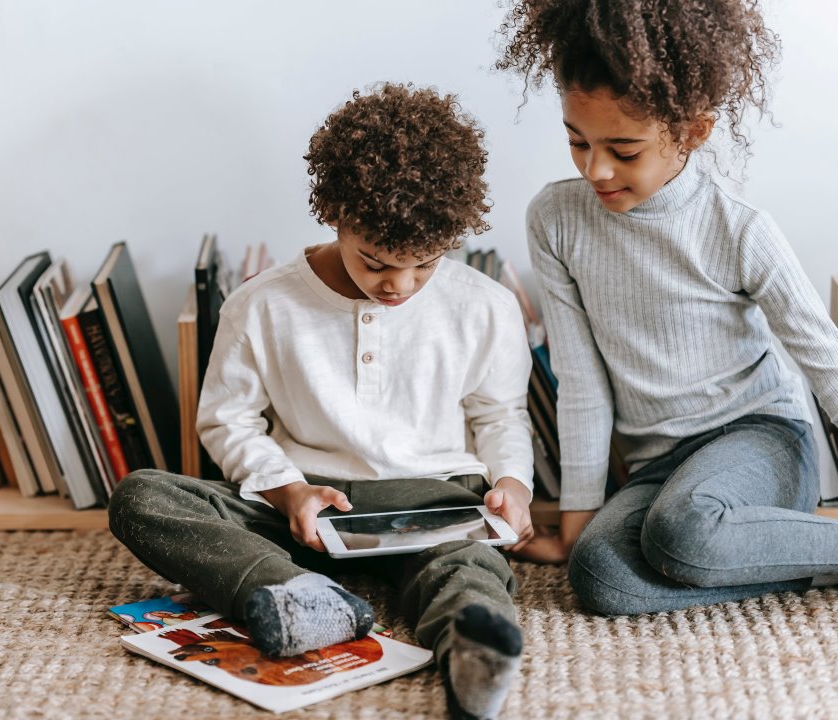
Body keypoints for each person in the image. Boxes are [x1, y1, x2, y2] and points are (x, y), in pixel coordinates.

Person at [111, 82, 535, 719]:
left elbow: (499, 413)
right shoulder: (262, 304)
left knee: (468, 568)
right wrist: (288, 490)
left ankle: (472, 654)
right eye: (376, 261)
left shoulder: (485, 306)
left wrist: (512, 484)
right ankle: (298, 597)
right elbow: (228, 419)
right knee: (142, 497)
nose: (401, 285)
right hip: (303, 508)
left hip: (432, 501)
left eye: (425, 264)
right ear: (335, 213)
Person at [496, 0, 838, 615]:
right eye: (577, 142)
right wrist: (578, 518)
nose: (596, 169)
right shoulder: (556, 220)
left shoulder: (738, 228)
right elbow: (580, 380)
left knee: (683, 532)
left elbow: (824, 357)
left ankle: (753, 538)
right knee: (599, 574)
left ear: (693, 131)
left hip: (761, 439)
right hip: (659, 469)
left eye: (624, 151)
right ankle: (791, 556)